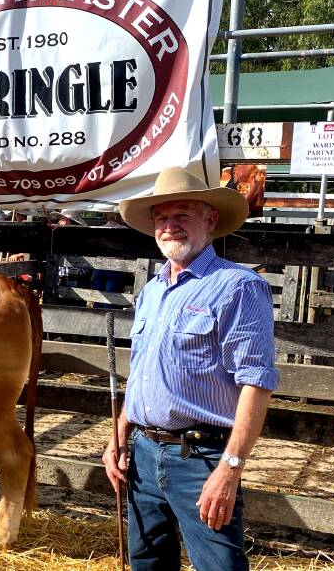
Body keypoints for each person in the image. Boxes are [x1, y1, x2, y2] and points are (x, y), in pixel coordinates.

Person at [103, 166, 278, 571]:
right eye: (161, 218)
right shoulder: (152, 290)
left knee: (218, 566)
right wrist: (119, 434)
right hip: (143, 453)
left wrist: (230, 467)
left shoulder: (238, 286)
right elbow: (144, 373)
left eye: (182, 215)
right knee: (147, 562)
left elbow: (256, 382)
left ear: (210, 220)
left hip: (200, 458)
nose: (170, 227)